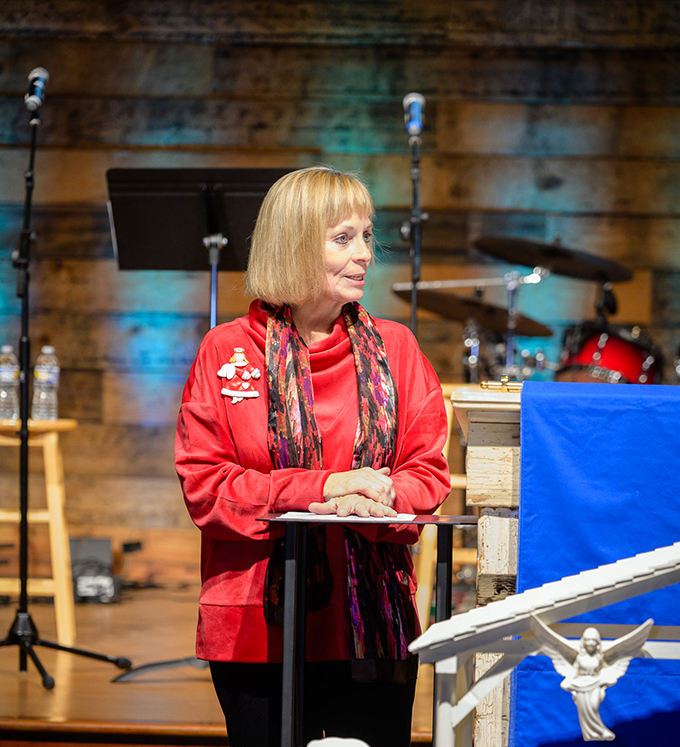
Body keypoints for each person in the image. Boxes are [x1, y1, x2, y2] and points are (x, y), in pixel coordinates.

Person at [175, 166, 451, 747]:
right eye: (343, 238)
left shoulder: (398, 348)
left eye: (367, 236)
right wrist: (326, 487)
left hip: (372, 630)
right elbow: (208, 488)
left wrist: (379, 496)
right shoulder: (227, 350)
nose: (364, 254)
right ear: (296, 244)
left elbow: (427, 471)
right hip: (256, 630)